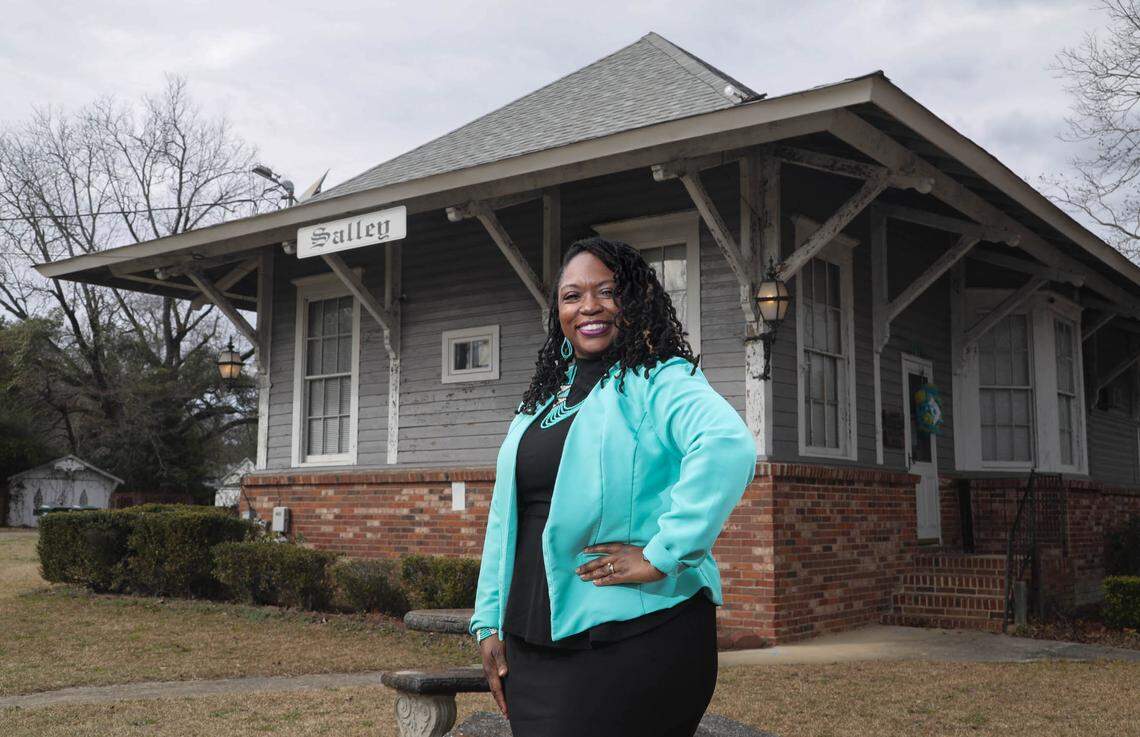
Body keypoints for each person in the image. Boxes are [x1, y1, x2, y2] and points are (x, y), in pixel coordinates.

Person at [468, 236, 757, 737]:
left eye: (606, 291)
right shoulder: (541, 403)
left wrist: (662, 554)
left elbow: (727, 445)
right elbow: (506, 516)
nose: (589, 307)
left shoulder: (660, 380)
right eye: (572, 295)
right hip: (532, 641)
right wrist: (489, 622)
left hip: (635, 638)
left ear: (635, 299)